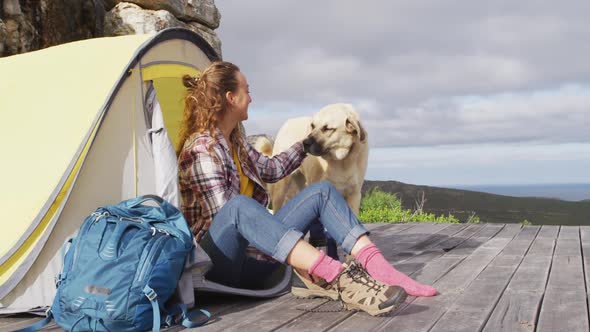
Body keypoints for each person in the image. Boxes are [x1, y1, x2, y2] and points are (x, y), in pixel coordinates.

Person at [177, 61, 437, 316]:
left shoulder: (235, 143)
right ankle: (341, 279)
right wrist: (297, 251)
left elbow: (273, 169)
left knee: (321, 192)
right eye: (247, 89)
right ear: (231, 98)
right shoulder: (203, 150)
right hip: (216, 267)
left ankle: (380, 269)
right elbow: (226, 220)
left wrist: (307, 144)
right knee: (238, 208)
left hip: (253, 256)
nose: (252, 98)